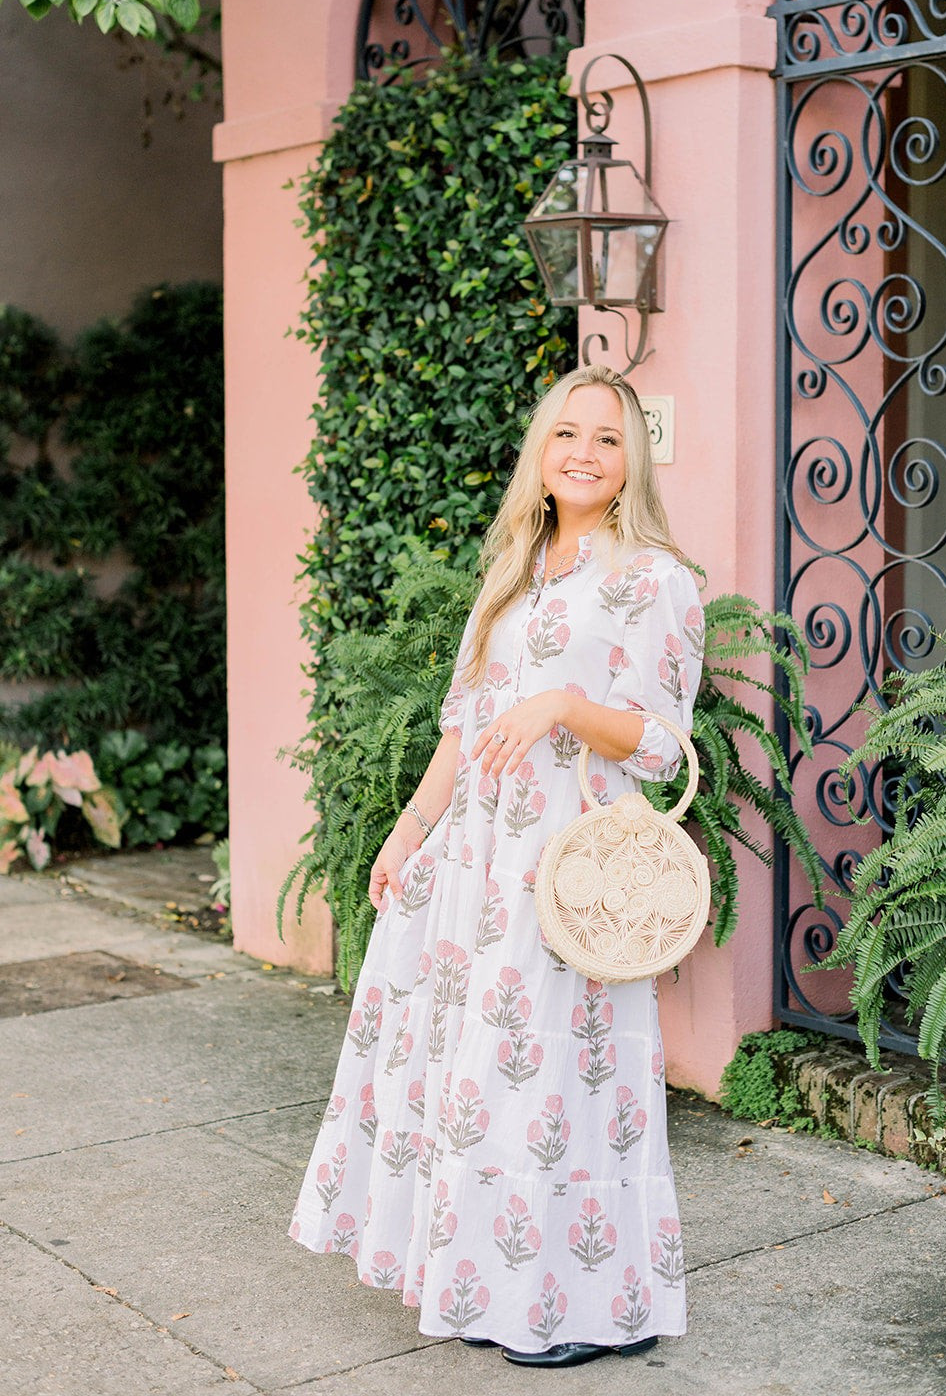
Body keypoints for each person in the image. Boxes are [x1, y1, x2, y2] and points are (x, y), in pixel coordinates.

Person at [289, 364, 705, 1367]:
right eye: (567, 432)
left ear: (630, 457)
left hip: (570, 864)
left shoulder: (655, 579)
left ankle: (580, 1304)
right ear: (540, 448)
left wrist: (562, 704)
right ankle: (486, 1283)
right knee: (479, 1080)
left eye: (606, 438)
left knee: (563, 1079)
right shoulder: (513, 572)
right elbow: (461, 727)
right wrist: (406, 831)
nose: (584, 453)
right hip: (476, 862)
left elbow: (662, 743)